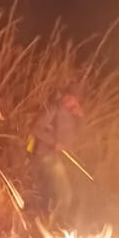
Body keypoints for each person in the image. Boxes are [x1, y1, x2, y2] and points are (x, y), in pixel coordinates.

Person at [28, 86, 84, 227]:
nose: (72, 102)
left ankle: (48, 222)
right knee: (65, 194)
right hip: (47, 155)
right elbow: (35, 128)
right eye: (70, 99)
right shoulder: (54, 109)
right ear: (65, 96)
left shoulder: (74, 114)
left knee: (53, 193)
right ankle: (56, 224)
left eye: (75, 100)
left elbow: (78, 135)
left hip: (63, 158)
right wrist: (55, 143)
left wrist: (80, 118)